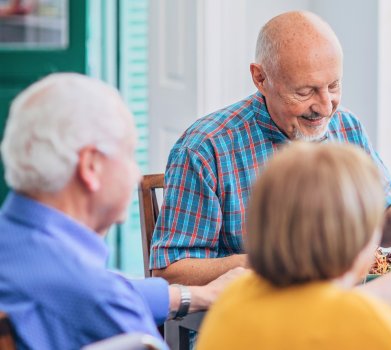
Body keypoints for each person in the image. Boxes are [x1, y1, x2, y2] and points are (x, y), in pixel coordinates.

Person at [150, 11, 391, 289]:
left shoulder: (347, 126)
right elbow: (169, 272)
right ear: (260, 78)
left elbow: (379, 228)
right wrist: (272, 264)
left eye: (334, 85)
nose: (326, 107)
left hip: (343, 308)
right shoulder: (205, 148)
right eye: (305, 92)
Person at [0, 73, 245, 349]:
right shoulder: (98, 302)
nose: (136, 173)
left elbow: (106, 289)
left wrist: (195, 295)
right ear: (91, 166)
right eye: (129, 154)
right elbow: (98, 294)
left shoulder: (20, 251)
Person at [198, 143, 391, 349]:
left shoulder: (234, 297)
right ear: (362, 242)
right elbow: (343, 314)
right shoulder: (375, 331)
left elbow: (319, 311)